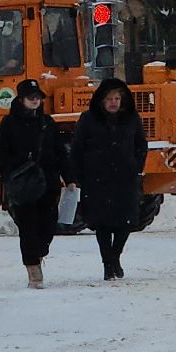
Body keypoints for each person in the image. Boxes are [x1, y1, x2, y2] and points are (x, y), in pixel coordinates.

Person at [0, 78, 67, 289]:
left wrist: (69, 177)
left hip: (48, 183)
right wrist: (13, 168)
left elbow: (60, 153)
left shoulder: (48, 123)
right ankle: (33, 270)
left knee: (49, 225)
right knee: (28, 227)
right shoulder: (9, 124)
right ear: (21, 100)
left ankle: (39, 252)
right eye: (31, 98)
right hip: (23, 185)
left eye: (38, 98)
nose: (35, 101)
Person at [70, 77, 148, 280]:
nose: (113, 102)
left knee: (126, 222)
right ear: (101, 101)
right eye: (109, 99)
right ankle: (107, 264)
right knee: (102, 223)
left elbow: (141, 144)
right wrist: (78, 174)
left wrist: (136, 165)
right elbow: (77, 148)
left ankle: (115, 256)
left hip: (125, 178)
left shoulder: (132, 119)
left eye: (116, 98)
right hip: (97, 179)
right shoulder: (88, 119)